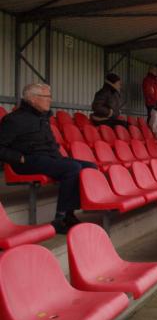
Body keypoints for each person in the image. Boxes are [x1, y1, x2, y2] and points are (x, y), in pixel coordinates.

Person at [0, 83, 97, 234]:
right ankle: (61, 218)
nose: (50, 100)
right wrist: (19, 158)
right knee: (72, 168)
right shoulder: (14, 120)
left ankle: (70, 214)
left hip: (48, 159)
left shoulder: (43, 118)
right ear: (32, 99)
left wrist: (60, 159)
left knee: (89, 166)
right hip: (27, 161)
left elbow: (51, 145)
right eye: (46, 97)